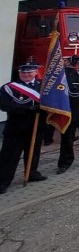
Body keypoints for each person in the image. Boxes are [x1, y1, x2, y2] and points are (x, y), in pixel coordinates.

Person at [0, 62, 47, 193]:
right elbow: (4, 106)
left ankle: (31, 173)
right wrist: (27, 109)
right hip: (16, 128)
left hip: (36, 126)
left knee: (34, 152)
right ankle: (3, 181)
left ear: (36, 73)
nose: (26, 74)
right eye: (23, 72)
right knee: (9, 156)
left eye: (29, 72)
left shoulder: (42, 86)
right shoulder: (10, 88)